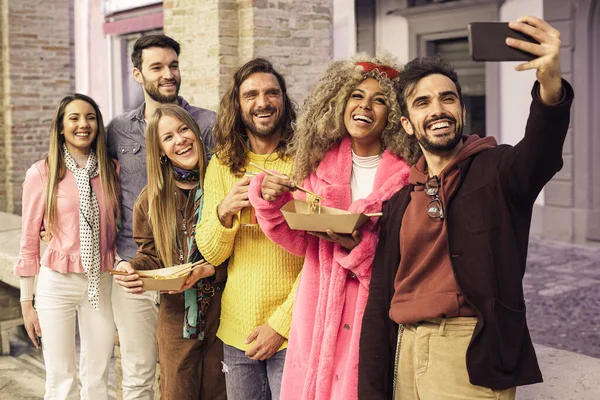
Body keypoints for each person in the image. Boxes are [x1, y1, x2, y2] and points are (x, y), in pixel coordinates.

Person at [359, 16, 573, 400]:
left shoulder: (500, 170)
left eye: (448, 98)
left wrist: (550, 85)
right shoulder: (401, 199)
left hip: (469, 351)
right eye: (423, 103)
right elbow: (379, 303)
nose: (438, 109)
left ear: (461, 109)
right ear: (408, 124)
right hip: (404, 352)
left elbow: (541, 151)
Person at [247, 52, 412, 399]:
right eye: (356, 95)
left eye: (379, 100)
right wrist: (269, 200)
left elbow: (409, 254)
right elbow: (298, 238)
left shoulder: (405, 178)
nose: (365, 106)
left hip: (371, 316)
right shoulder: (320, 166)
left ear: (394, 115)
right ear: (340, 102)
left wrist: (362, 249)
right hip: (318, 316)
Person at [107, 34, 216, 399]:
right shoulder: (117, 130)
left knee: (209, 378)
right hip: (142, 269)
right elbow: (92, 178)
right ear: (138, 74)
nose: (168, 74)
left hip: (206, 276)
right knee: (143, 372)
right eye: (157, 67)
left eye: (173, 65)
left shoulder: (209, 122)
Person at [195, 58, 303, 400]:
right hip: (237, 330)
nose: (262, 102)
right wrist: (224, 211)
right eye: (251, 94)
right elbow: (211, 253)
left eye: (272, 93)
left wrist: (280, 324)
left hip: (294, 326)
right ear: (238, 105)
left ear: (283, 100)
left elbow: (321, 254)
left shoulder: (304, 162)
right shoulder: (223, 165)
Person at [15, 94, 120, 399]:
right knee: (61, 379)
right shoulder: (41, 174)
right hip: (56, 284)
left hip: (100, 281)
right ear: (61, 126)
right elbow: (29, 241)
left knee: (97, 375)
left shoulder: (112, 170)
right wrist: (26, 303)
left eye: (90, 117)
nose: (83, 124)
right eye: (74, 118)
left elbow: (120, 225)